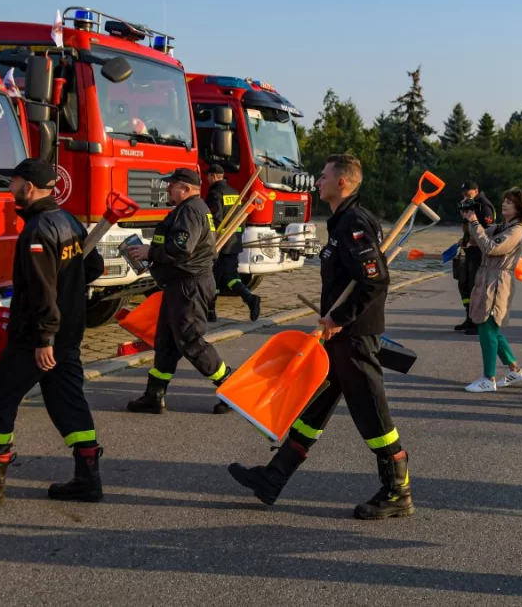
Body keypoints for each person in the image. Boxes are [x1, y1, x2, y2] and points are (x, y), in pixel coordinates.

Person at [228, 154, 413, 520]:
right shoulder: (343, 220)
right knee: (314, 407)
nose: (317, 182)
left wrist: (340, 317)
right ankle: (274, 477)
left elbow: (374, 280)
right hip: (339, 336)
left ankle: (398, 491)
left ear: (342, 182)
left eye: (324, 176)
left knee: (373, 416)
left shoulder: (354, 223)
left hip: (354, 336)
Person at [0, 158, 106, 506]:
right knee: (68, 404)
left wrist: (43, 338)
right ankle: (88, 478)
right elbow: (93, 266)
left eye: (13, 182)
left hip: (36, 340)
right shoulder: (68, 221)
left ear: (28, 188)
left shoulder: (37, 230)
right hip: (69, 337)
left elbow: (40, 289)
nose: (10, 188)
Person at [125, 167, 233, 415]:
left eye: (171, 185)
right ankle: (154, 396)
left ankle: (230, 386)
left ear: (185, 189)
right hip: (180, 287)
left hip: (188, 287)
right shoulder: (190, 210)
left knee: (190, 341)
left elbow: (182, 248)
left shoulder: (191, 211)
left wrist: (149, 252)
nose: (166, 189)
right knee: (166, 343)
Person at [462, 188, 522, 393]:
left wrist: (475, 223)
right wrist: (471, 220)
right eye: (504, 200)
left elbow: (491, 247)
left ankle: (488, 378)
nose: (505, 204)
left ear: (520, 207)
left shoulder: (516, 230)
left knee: (487, 326)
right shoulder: (504, 225)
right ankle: (515, 370)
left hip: (497, 280)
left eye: (510, 202)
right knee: (491, 326)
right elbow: (478, 238)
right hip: (487, 276)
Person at [205, 163, 261, 323]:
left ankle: (211, 311)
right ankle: (250, 298)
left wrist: (210, 239)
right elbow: (241, 218)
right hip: (234, 241)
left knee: (212, 276)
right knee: (230, 277)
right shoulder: (235, 193)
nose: (207, 179)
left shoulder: (215, 193)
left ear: (214, 176)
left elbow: (214, 219)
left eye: (208, 176)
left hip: (220, 243)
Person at [452, 181, 496, 334]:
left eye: (467, 193)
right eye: (463, 193)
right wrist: (464, 240)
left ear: (476, 190)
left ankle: (479, 323)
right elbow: (468, 227)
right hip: (469, 252)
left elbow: (488, 231)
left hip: (480, 254)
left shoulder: (484, 206)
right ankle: (469, 318)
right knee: (464, 284)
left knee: (476, 288)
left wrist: (473, 242)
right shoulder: (469, 204)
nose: (465, 196)